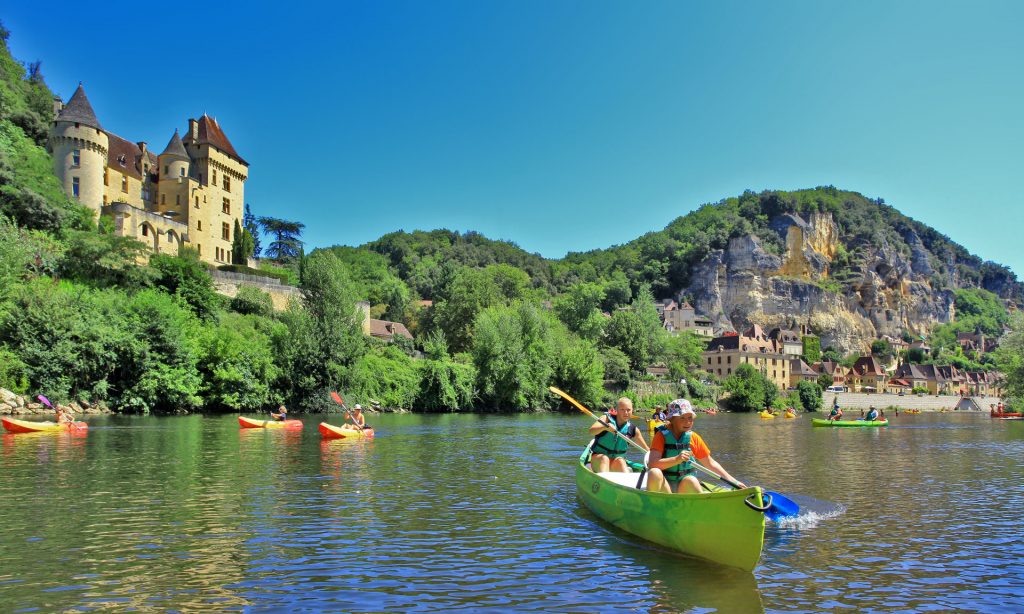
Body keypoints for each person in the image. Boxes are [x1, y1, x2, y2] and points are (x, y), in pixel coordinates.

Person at [647, 399, 745, 494]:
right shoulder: (661, 436)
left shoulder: (693, 438)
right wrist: (676, 459)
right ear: (672, 419)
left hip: (684, 487)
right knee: (654, 472)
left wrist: (734, 482)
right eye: (682, 418)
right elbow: (652, 464)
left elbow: (710, 463)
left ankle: (697, 505)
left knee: (691, 480)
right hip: (665, 487)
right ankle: (655, 505)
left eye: (690, 418)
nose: (687, 422)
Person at [588, 397, 648, 473]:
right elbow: (591, 431)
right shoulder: (606, 418)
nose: (626, 413)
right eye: (622, 410)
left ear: (632, 410)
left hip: (615, 462)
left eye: (628, 410)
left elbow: (646, 449)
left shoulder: (633, 430)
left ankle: (625, 482)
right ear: (616, 410)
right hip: (598, 458)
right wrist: (604, 427)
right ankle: (605, 480)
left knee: (621, 461)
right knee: (604, 459)